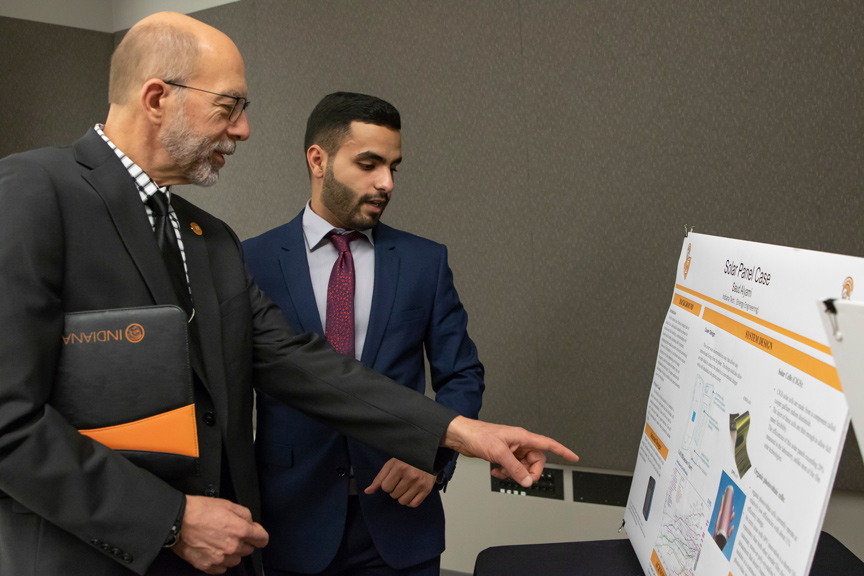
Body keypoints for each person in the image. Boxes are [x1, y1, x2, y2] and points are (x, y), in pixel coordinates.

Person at [0, 12, 577, 576]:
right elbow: (9, 419)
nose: (244, 130)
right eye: (229, 108)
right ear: (157, 99)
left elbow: (300, 364)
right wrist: (171, 520)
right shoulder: (33, 193)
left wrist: (459, 433)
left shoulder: (210, 239)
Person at [243, 92, 484, 576]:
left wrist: (431, 454)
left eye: (394, 166)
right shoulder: (250, 262)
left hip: (399, 527)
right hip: (289, 526)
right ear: (318, 159)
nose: (386, 183)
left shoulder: (424, 261)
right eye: (369, 164)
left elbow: (462, 375)